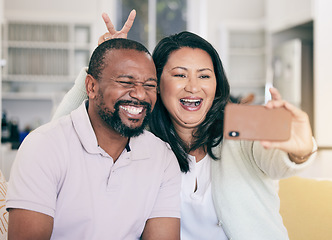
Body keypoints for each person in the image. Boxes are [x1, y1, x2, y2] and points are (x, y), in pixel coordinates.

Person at [52, 12, 317, 240]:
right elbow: (60, 135)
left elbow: (276, 159)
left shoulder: (240, 128)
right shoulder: (138, 140)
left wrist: (301, 148)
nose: (193, 86)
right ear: (156, 82)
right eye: (179, 75)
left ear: (216, 84)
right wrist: (104, 67)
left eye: (204, 75)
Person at [6, 38, 182, 240]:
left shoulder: (163, 157)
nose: (140, 94)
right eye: (125, 82)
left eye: (150, 85)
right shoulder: (43, 147)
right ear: (90, 87)